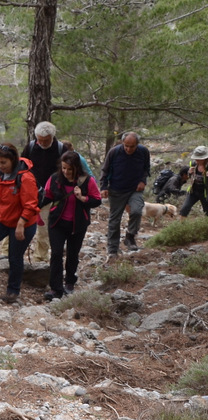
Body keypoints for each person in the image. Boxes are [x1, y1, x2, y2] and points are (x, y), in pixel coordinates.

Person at [0, 142, 40, 305]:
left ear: (13, 159)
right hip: (3, 218)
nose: (0, 166)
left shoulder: (25, 177)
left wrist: (21, 224)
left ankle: (13, 290)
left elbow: (31, 205)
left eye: (3, 162)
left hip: (24, 222)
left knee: (14, 257)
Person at [40, 151, 102, 300]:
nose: (66, 172)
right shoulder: (55, 179)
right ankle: (56, 289)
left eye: (70, 169)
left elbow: (97, 200)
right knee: (56, 254)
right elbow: (47, 196)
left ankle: (69, 282)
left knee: (73, 254)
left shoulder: (87, 181)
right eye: (64, 168)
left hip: (78, 224)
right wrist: (33, 209)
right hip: (57, 222)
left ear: (76, 168)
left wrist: (82, 198)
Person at [100, 132, 151, 255]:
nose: (128, 149)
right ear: (122, 143)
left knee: (137, 211)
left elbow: (146, 168)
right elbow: (105, 170)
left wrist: (143, 181)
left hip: (135, 189)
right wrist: (104, 187)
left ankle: (130, 236)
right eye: (126, 146)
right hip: (116, 189)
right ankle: (113, 248)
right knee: (115, 219)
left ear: (137, 144)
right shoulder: (114, 152)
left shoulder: (143, 152)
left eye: (132, 146)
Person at [21, 121, 64, 262]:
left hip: (49, 195)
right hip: (29, 192)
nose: (43, 143)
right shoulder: (31, 147)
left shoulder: (61, 149)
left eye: (46, 140)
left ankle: (40, 258)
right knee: (19, 222)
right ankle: (9, 252)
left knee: (43, 228)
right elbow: (22, 167)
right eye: (40, 140)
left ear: (52, 137)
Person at [179, 145, 208, 218]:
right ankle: (181, 224)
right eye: (196, 158)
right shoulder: (194, 164)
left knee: (207, 212)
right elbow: (189, 177)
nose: (197, 160)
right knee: (184, 209)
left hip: (205, 193)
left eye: (199, 159)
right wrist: (189, 173)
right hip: (194, 191)